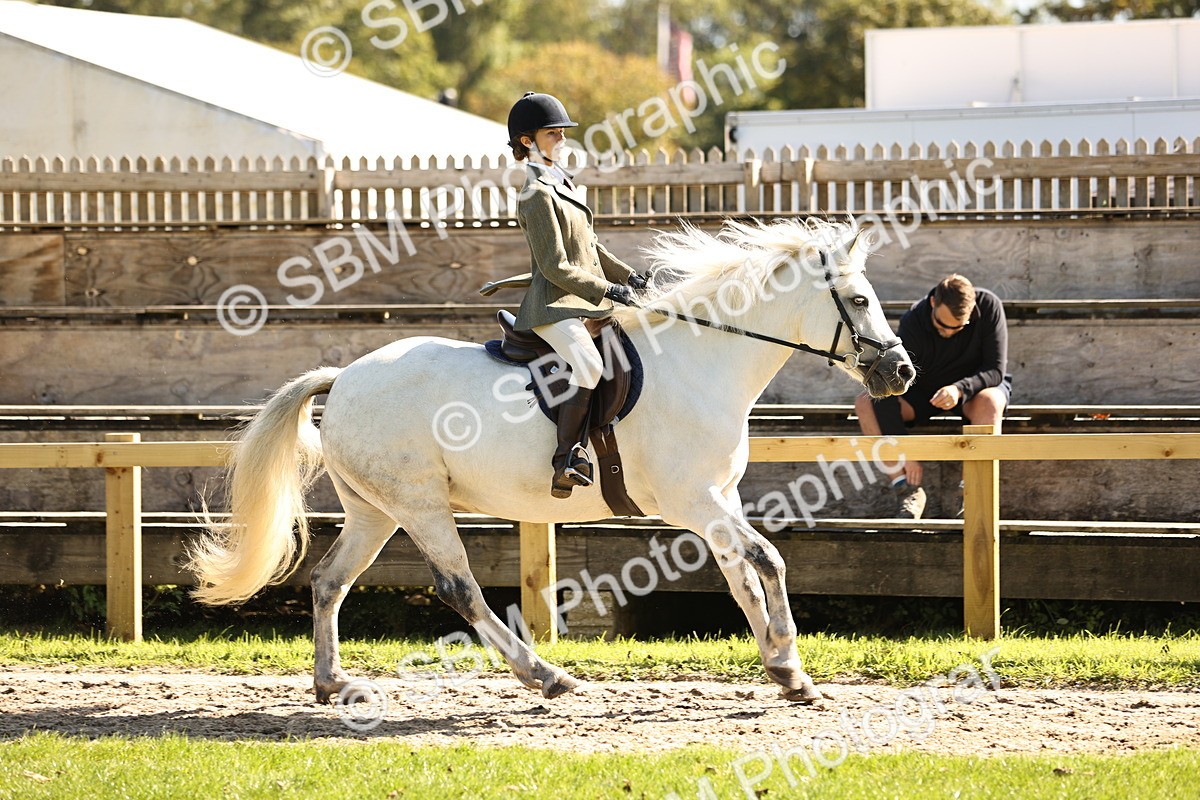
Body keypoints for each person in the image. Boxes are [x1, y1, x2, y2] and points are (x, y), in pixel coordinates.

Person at [506, 92, 646, 499]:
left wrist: (630, 276)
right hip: (553, 305)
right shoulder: (535, 194)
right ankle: (565, 459)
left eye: (563, 131)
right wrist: (608, 289)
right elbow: (554, 267)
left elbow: (592, 247)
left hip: (584, 300)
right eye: (553, 132)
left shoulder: (563, 183)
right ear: (528, 141)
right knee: (587, 366)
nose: (562, 138)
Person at [854, 274, 1012, 518]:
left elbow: (995, 370)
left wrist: (960, 389)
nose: (949, 332)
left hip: (974, 390)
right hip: (925, 392)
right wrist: (903, 451)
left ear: (972, 311)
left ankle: (975, 493)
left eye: (959, 327)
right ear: (932, 304)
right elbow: (893, 385)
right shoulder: (913, 320)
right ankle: (906, 489)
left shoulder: (989, 305)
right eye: (943, 325)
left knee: (991, 400)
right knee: (867, 402)